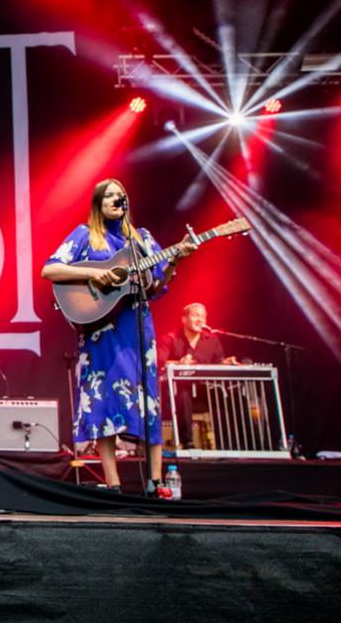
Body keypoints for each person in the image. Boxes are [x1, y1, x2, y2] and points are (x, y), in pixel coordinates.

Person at [41, 178, 195, 493]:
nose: (115, 199)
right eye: (109, 196)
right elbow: (51, 269)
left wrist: (176, 257)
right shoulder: (85, 236)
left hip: (136, 327)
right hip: (100, 331)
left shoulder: (142, 240)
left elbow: (155, 287)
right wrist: (93, 272)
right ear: (98, 204)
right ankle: (112, 483)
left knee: (148, 400)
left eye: (120, 195)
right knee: (103, 399)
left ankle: (154, 482)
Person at [157, 302, 239, 448]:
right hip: (175, 393)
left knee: (226, 396)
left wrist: (226, 362)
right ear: (184, 319)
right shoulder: (170, 338)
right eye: (195, 315)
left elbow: (218, 363)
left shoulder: (212, 339)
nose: (200, 320)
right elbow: (159, 363)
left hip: (204, 390)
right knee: (183, 394)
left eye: (203, 317)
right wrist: (177, 363)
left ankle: (227, 445)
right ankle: (188, 443)